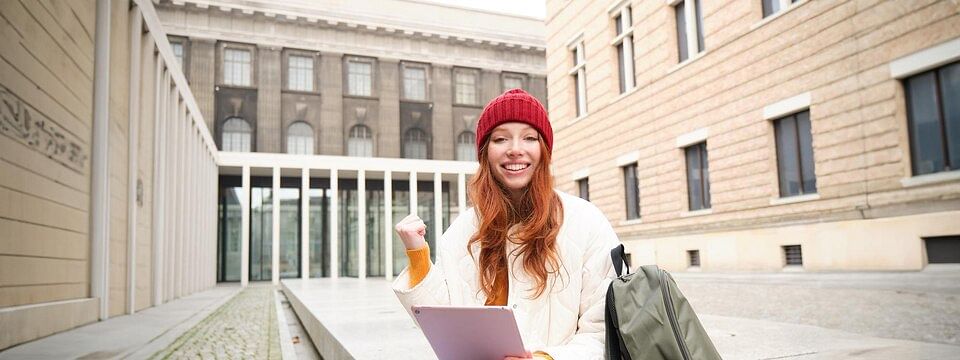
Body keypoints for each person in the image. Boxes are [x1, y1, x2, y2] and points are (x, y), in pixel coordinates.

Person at [392, 88, 622, 360]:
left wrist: (544, 359)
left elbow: (602, 333)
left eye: (529, 138)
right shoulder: (462, 231)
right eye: (501, 139)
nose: (515, 150)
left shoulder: (586, 222)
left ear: (544, 150)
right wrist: (418, 258)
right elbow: (443, 325)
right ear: (485, 153)